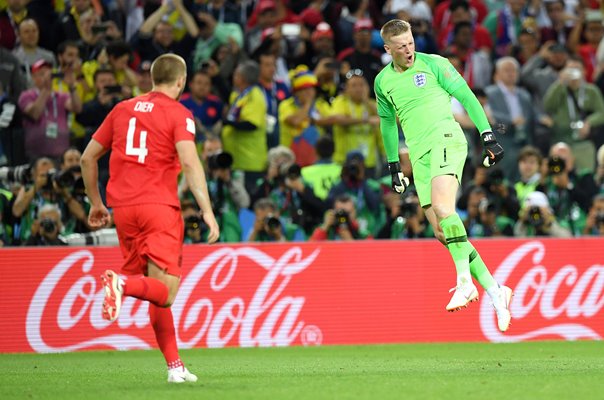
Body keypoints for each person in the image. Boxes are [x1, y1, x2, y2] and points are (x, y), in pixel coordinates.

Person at [80, 54, 219, 383]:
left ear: (152, 78)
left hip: (123, 210)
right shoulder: (179, 114)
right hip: (159, 205)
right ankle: (121, 284)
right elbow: (190, 162)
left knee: (155, 288)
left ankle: (175, 367)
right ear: (181, 81)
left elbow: (87, 158)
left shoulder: (121, 109)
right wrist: (207, 211)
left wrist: (96, 204)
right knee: (166, 292)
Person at [374, 19, 512, 332]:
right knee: (441, 231)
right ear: (387, 50)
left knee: (445, 209)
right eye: (400, 47)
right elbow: (387, 123)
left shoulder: (435, 64)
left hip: (447, 139)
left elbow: (466, 96)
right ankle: (495, 290)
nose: (408, 50)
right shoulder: (383, 82)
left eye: (410, 43)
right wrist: (394, 164)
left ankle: (464, 281)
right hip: (419, 157)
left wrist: (487, 134)